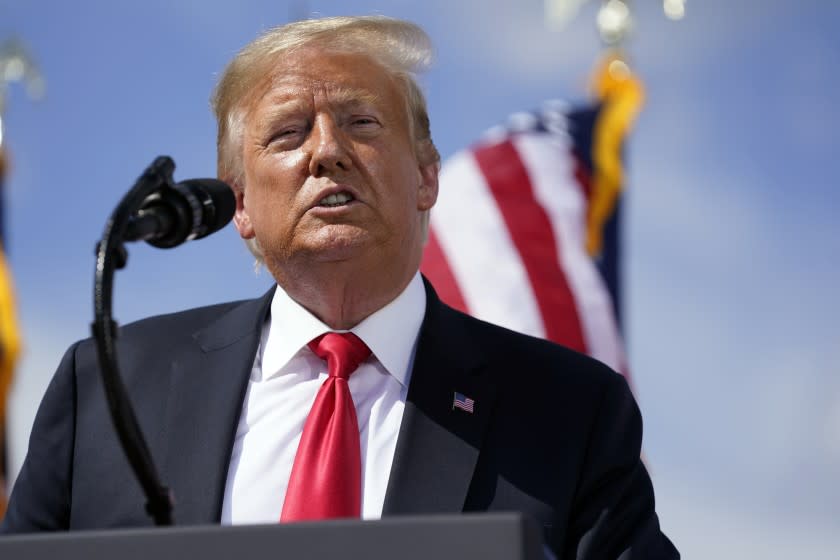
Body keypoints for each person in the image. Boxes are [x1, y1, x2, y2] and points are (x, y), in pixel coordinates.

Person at [1, 16, 678, 558]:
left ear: (426, 177)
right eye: (289, 133)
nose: (327, 150)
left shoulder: (569, 412)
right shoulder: (107, 387)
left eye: (361, 123)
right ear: (239, 204)